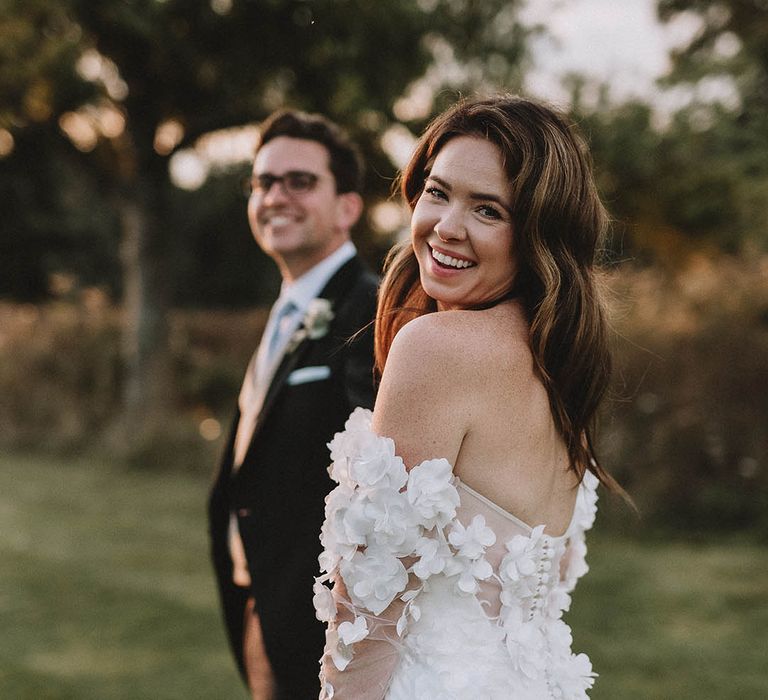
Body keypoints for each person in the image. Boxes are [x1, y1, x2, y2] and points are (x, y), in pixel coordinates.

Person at [313, 95, 625, 699]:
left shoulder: (435, 349)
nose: (446, 226)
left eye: (487, 209)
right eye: (437, 192)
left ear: (536, 232)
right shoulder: (563, 367)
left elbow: (370, 610)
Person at [208, 109, 378, 699]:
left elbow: (380, 481)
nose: (275, 196)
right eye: (263, 182)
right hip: (261, 603)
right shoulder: (288, 311)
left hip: (319, 625)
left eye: (300, 181)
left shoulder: (371, 312)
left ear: (347, 207)